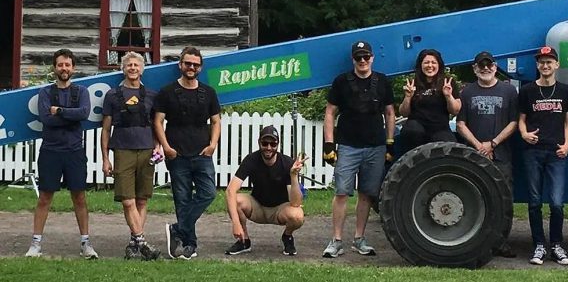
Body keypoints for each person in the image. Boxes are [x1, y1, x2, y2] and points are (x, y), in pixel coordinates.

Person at [322, 40, 396, 258]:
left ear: (372, 58)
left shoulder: (382, 82)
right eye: (358, 58)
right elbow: (329, 113)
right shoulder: (341, 82)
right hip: (348, 145)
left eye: (366, 57)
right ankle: (336, 240)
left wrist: (390, 143)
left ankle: (359, 239)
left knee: (367, 194)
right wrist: (329, 144)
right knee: (342, 192)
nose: (362, 61)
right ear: (353, 60)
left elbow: (390, 113)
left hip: (375, 146)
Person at [25, 48, 98, 259]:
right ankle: (35, 244)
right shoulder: (45, 93)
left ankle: (86, 243)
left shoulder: (81, 91)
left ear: (73, 68)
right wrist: (70, 116)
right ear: (54, 68)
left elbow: (84, 113)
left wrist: (60, 111)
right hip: (50, 151)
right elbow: (46, 120)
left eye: (67, 65)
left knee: (80, 197)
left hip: (74, 151)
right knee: (45, 197)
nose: (64, 68)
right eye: (60, 65)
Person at [153, 46, 221, 260]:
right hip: (177, 154)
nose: (191, 67)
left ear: (200, 67)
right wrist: (166, 147)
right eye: (187, 63)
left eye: (195, 64)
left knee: (208, 193)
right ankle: (190, 244)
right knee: (182, 199)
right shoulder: (167, 92)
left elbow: (216, 121)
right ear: (180, 65)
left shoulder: (208, 92)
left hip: (202, 153)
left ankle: (178, 229)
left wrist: (213, 144)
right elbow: (157, 121)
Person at [518, 46, 568, 266]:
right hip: (532, 152)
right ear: (537, 65)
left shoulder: (566, 92)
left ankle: (556, 245)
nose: (545, 65)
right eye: (542, 62)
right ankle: (539, 246)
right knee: (534, 202)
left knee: (556, 203)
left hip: (556, 152)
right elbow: (521, 119)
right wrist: (524, 134)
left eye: (549, 61)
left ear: (556, 65)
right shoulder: (527, 91)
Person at [457, 50, 518, 258]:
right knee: (476, 198)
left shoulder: (509, 91)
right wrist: (478, 146)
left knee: (504, 199)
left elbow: (514, 122)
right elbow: (460, 124)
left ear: (495, 67)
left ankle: (501, 242)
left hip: (501, 154)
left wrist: (492, 144)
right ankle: (475, 241)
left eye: (489, 65)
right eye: (481, 65)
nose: (485, 68)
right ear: (475, 69)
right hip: (473, 155)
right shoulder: (467, 92)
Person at [101, 51, 161, 260]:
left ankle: (133, 244)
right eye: (129, 65)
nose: (133, 68)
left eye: (136, 65)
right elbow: (106, 129)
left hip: (146, 149)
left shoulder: (151, 95)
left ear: (142, 69)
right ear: (123, 69)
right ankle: (142, 241)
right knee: (128, 200)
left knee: (142, 200)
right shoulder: (112, 95)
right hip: (123, 150)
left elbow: (156, 125)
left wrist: (158, 147)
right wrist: (105, 158)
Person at [224, 125, 305, 256]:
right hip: (257, 207)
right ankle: (244, 240)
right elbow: (230, 190)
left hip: (280, 210)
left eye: (273, 144)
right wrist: (235, 223)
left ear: (278, 145)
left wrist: (294, 176)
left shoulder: (287, 163)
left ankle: (287, 237)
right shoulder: (251, 160)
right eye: (265, 143)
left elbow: (295, 203)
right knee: (236, 199)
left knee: (297, 215)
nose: (268, 147)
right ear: (259, 143)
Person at [399, 48, 460, 152]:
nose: (430, 66)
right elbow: (403, 113)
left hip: (440, 128)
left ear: (439, 65)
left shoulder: (448, 81)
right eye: (426, 62)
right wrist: (408, 97)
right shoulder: (412, 82)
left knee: (450, 147)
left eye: (433, 62)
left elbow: (455, 110)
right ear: (420, 65)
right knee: (412, 130)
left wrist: (448, 96)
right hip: (416, 128)